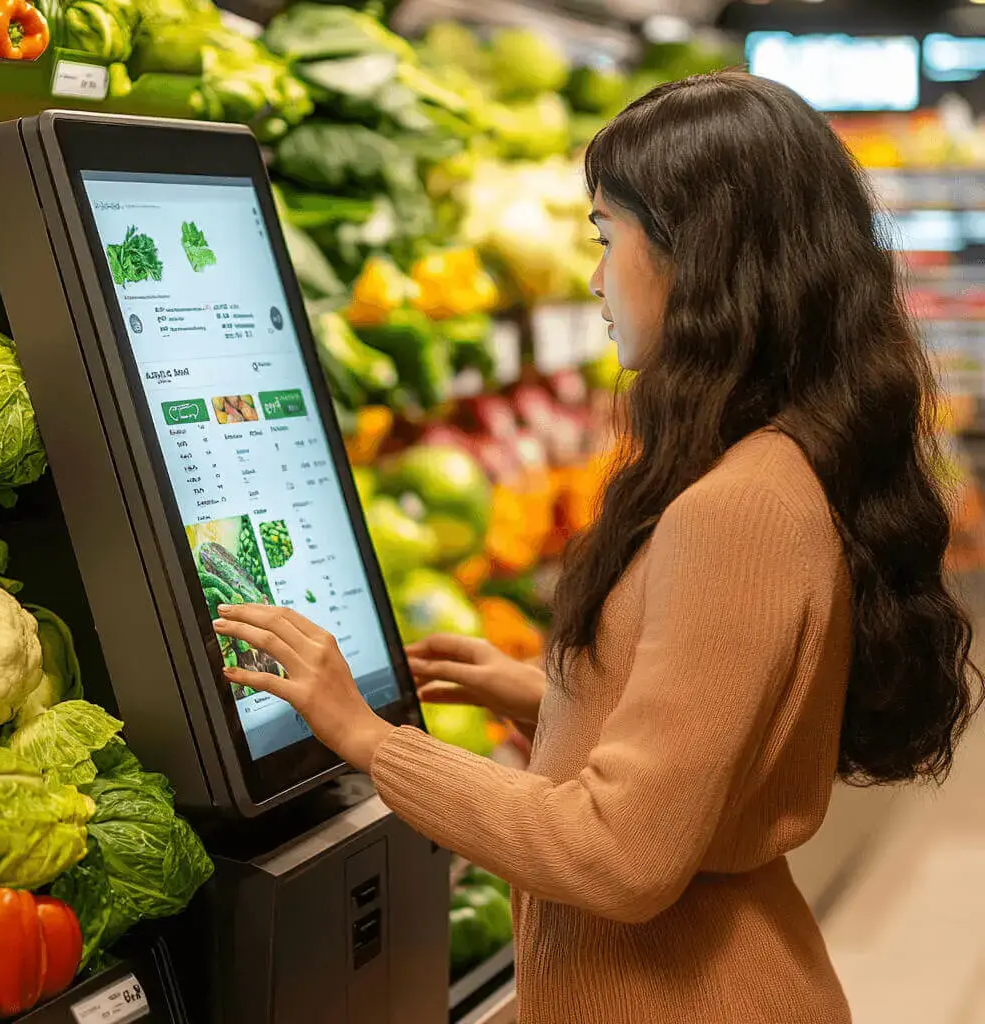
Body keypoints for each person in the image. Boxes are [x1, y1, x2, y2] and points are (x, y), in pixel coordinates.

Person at [213, 71, 982, 1023]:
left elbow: (620, 856)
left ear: (695, 258)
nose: (593, 277)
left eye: (604, 236)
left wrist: (375, 742)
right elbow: (712, 750)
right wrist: (551, 694)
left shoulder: (738, 508)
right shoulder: (775, 461)